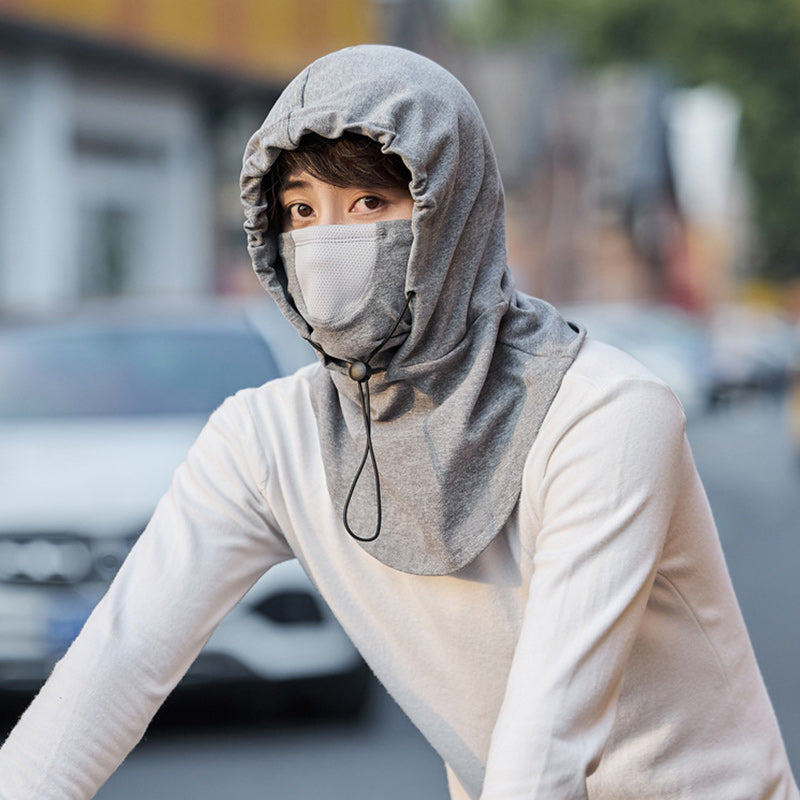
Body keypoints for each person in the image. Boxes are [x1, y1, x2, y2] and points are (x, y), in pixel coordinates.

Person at [0, 44, 797, 800]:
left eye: (371, 202)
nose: (328, 242)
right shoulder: (269, 436)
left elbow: (544, 749)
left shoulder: (603, 413)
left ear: (450, 212)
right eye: (299, 210)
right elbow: (116, 662)